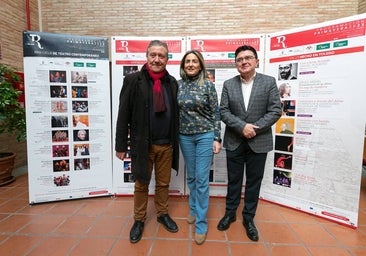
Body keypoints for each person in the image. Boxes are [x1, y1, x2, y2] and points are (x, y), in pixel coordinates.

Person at [115, 40, 180, 244]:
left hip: (167, 143)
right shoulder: (133, 80)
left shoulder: (172, 82)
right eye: (153, 55)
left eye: (161, 56)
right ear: (146, 56)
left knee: (163, 183)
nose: (157, 59)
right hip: (143, 144)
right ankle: (139, 220)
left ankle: (162, 214)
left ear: (167, 59)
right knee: (141, 184)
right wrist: (120, 145)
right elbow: (123, 114)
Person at [217, 45, 281, 241]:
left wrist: (254, 128)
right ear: (236, 63)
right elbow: (224, 111)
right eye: (239, 59)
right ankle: (230, 214)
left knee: (254, 182)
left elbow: (275, 110)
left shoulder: (268, 82)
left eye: (248, 58)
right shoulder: (229, 84)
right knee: (234, 181)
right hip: (235, 140)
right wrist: (242, 126)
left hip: (259, 141)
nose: (244, 61)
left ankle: (248, 218)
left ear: (256, 61)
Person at [177, 50, 222, 245]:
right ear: (183, 65)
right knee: (192, 176)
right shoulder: (177, 86)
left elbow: (216, 113)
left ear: (201, 65)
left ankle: (201, 224)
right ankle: (194, 209)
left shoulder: (208, 86)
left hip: (205, 136)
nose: (191, 64)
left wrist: (217, 138)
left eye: (195, 61)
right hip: (184, 136)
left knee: (202, 179)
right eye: (188, 61)